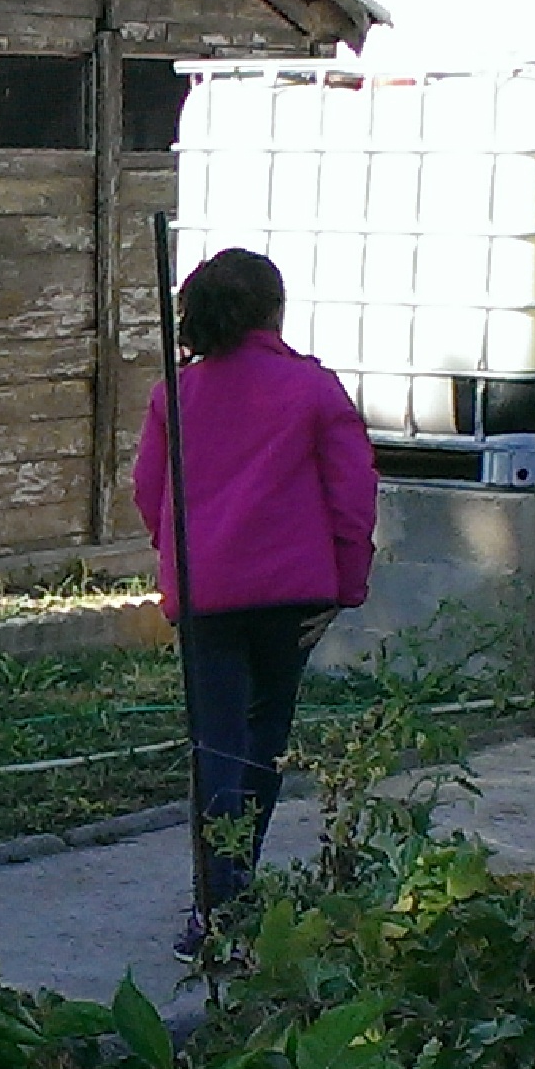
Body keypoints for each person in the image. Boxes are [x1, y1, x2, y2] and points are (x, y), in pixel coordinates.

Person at [132, 247, 379, 955]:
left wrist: (182, 553)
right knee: (264, 742)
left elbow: (149, 491)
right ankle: (236, 885)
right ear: (275, 311)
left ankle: (214, 902)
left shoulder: (174, 394)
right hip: (292, 593)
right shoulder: (312, 389)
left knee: (214, 743)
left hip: (205, 591)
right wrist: (347, 585)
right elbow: (353, 493)